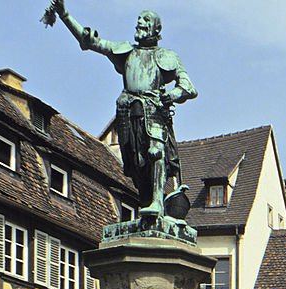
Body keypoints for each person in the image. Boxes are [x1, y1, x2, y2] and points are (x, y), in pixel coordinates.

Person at [47, 0, 197, 219]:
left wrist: (172, 95)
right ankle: (147, 202)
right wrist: (65, 15)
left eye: (145, 21)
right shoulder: (127, 52)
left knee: (156, 151)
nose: (140, 23)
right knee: (135, 162)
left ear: (156, 28)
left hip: (153, 109)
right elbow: (90, 42)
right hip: (128, 111)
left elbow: (188, 87)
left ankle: (157, 201)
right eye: (139, 20)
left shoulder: (167, 57)